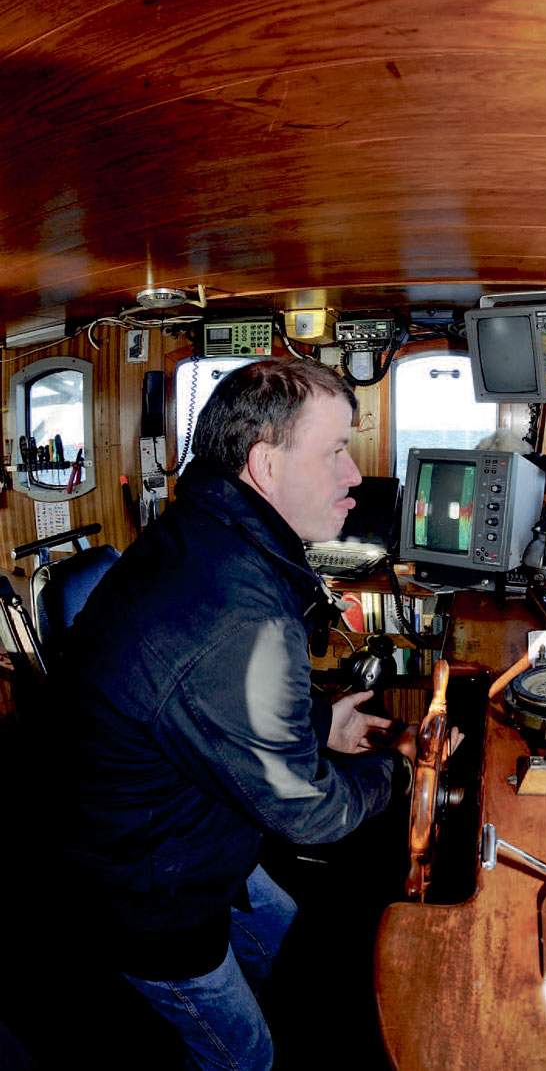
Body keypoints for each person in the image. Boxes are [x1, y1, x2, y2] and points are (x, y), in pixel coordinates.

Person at [56, 358, 417, 1070]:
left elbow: (208, 701)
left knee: (289, 938)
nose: (354, 476)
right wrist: (398, 771)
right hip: (149, 894)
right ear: (265, 465)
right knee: (245, 1055)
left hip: (188, 821)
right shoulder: (239, 609)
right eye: (336, 451)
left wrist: (320, 724)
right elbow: (306, 811)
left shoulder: (211, 533)